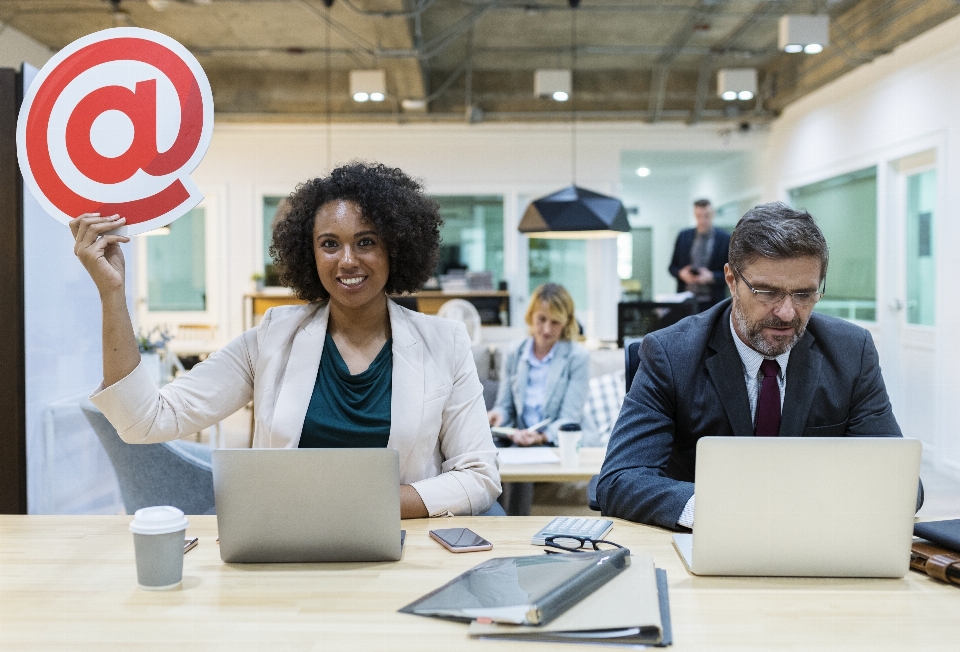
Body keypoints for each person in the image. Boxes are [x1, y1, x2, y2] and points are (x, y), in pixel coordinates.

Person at [73, 162, 501, 518]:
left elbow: (480, 475)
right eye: (329, 244)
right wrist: (113, 294)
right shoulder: (271, 339)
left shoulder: (445, 343)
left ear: (396, 248)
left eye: (366, 242)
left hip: (403, 550)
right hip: (285, 552)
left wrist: (359, 505)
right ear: (309, 255)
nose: (347, 260)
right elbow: (143, 421)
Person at [598, 202, 920, 530]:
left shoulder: (851, 352)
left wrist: (805, 509)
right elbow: (620, 480)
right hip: (706, 541)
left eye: (804, 294)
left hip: (816, 537)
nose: (787, 313)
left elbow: (903, 484)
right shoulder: (670, 354)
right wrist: (728, 509)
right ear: (730, 279)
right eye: (767, 292)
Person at [487, 283, 593, 447]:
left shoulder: (578, 357)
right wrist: (498, 415)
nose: (546, 329)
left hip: (560, 443)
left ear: (566, 322)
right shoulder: (513, 352)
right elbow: (504, 407)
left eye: (555, 322)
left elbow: (570, 418)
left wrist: (542, 437)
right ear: (531, 316)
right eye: (541, 319)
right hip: (520, 442)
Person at [668, 199, 730, 311]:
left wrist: (712, 277)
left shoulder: (725, 239)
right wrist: (682, 274)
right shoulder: (683, 236)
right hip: (686, 300)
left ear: (713, 214)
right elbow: (672, 267)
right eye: (698, 216)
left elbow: (733, 272)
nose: (702, 220)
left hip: (713, 302)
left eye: (706, 216)